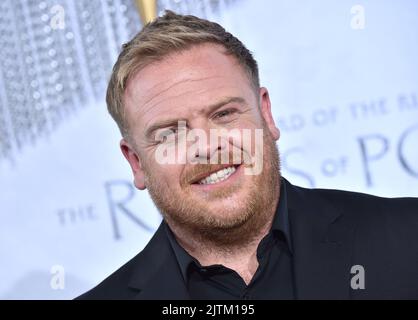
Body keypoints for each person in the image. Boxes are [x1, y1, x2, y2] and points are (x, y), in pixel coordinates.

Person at [78, 11, 418, 300]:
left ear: (266, 114)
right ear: (135, 162)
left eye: (224, 114)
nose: (208, 146)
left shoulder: (408, 240)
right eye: (171, 133)